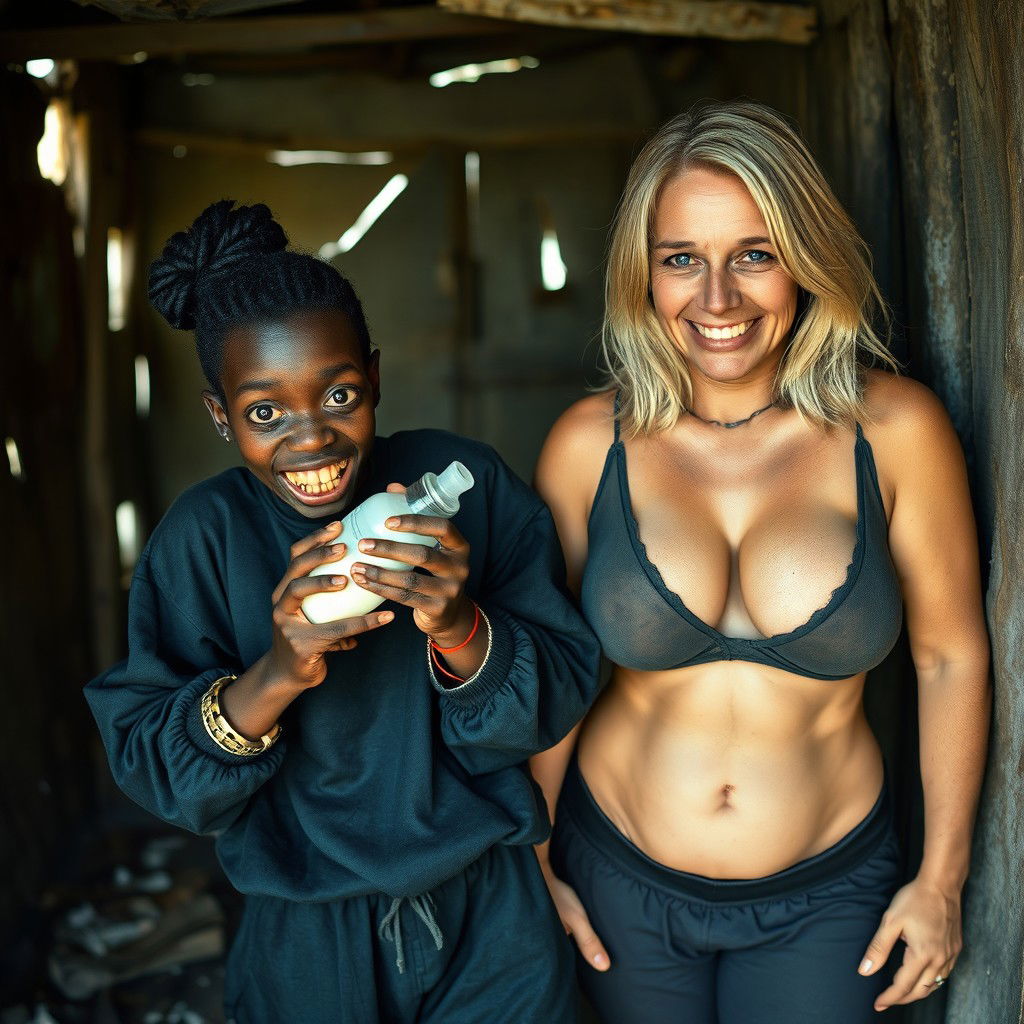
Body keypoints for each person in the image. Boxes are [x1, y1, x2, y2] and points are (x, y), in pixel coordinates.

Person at [85, 199, 601, 1023]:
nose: (312, 439)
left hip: (491, 919)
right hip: (305, 934)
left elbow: (565, 686)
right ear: (221, 417)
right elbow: (160, 769)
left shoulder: (465, 482)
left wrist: (458, 622)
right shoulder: (203, 540)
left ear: (376, 376)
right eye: (264, 413)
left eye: (340, 395)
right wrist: (280, 671)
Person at [530, 101, 991, 1024]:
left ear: (807, 258)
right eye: (680, 260)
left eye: (754, 253)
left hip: (829, 897)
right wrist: (531, 866)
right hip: (616, 880)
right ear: (643, 274)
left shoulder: (894, 432)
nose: (717, 300)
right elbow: (551, 670)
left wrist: (941, 880)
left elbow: (951, 656)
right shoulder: (590, 445)